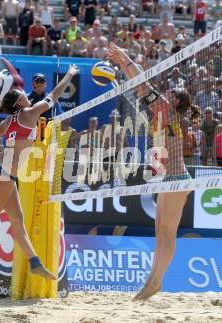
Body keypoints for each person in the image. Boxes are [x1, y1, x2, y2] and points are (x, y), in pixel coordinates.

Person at [0, 64, 79, 285]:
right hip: (3, 173)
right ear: (19, 102)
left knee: (17, 221)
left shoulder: (10, 120)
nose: (27, 93)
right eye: (23, 94)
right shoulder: (30, 112)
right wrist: (70, 75)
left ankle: (35, 264)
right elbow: (54, 95)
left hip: (4, 173)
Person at [107, 42, 201, 301]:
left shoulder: (167, 111)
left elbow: (141, 82)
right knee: (160, 232)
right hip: (168, 179)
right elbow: (139, 84)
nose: (166, 91)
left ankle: (156, 282)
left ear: (176, 101)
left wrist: (123, 58)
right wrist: (123, 63)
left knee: (167, 233)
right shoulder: (162, 112)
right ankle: (152, 280)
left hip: (179, 178)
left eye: (171, 91)